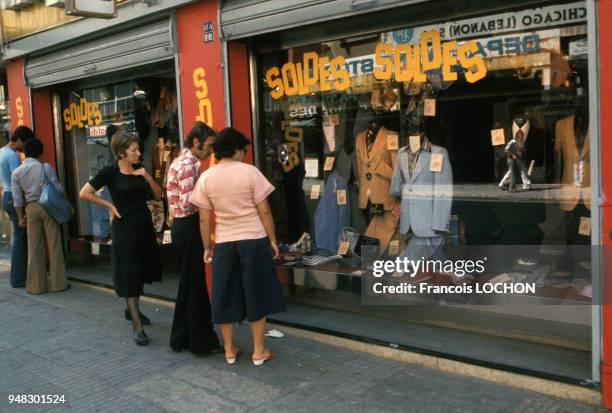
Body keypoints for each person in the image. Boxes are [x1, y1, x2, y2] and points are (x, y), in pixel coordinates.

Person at [190, 127, 287, 366]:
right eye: (243, 149)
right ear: (235, 149)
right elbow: (264, 210)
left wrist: (207, 247)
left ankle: (230, 350)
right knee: (256, 293)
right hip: (253, 240)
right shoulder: (249, 172)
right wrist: (272, 240)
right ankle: (258, 351)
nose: (244, 154)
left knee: (225, 294)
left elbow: (204, 218)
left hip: (224, 242)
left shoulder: (207, 177)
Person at [79, 132, 162, 346]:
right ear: (120, 153)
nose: (138, 153)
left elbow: (157, 196)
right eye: (133, 150)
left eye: (138, 149)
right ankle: (137, 326)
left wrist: (147, 176)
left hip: (143, 227)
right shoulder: (110, 172)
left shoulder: (139, 171)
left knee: (141, 270)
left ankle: (131, 309)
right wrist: (109, 206)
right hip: (124, 229)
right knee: (129, 273)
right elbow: (84, 193)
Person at [166, 121, 221, 354]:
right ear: (197, 142)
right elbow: (191, 204)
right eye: (208, 145)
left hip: (181, 226)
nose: (211, 151)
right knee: (195, 286)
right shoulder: (189, 164)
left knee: (188, 285)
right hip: (188, 226)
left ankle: (181, 338)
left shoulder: (180, 160)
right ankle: (200, 343)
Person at [12, 138, 68, 294]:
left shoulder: (17, 172)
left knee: (34, 248)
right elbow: (58, 188)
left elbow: (17, 199)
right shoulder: (45, 167)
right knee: (54, 244)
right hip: (47, 206)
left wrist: (20, 218)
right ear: (40, 152)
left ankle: (36, 287)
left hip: (31, 208)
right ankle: (59, 284)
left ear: (24, 153)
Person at [0, 126, 34, 287]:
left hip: (6, 196)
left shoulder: (1, 151)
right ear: (19, 139)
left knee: (18, 237)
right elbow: (18, 182)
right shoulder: (13, 156)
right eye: (25, 143)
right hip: (14, 197)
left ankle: (18, 277)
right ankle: (19, 279)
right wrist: (23, 207)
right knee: (21, 239)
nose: (25, 147)